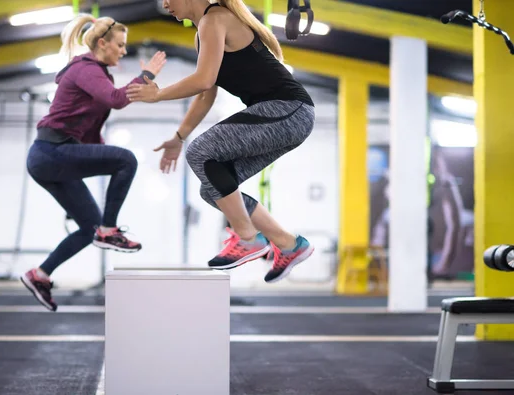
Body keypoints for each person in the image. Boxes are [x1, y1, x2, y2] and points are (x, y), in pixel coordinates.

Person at [126, 0, 315, 283]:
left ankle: (248, 238)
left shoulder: (215, 19)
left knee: (202, 151)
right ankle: (288, 244)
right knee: (213, 188)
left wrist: (158, 94)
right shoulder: (204, 30)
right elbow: (206, 94)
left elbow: (202, 80)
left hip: (288, 109)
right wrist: (178, 138)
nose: (164, 4)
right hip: (285, 115)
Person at [21, 14, 167, 311]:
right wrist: (146, 77)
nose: (124, 51)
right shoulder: (85, 69)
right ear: (103, 43)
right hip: (50, 151)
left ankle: (40, 275)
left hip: (57, 156)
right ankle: (110, 230)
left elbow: (90, 136)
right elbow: (115, 99)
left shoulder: (96, 74)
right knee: (125, 159)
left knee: (89, 227)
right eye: (121, 45)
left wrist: (101, 161)